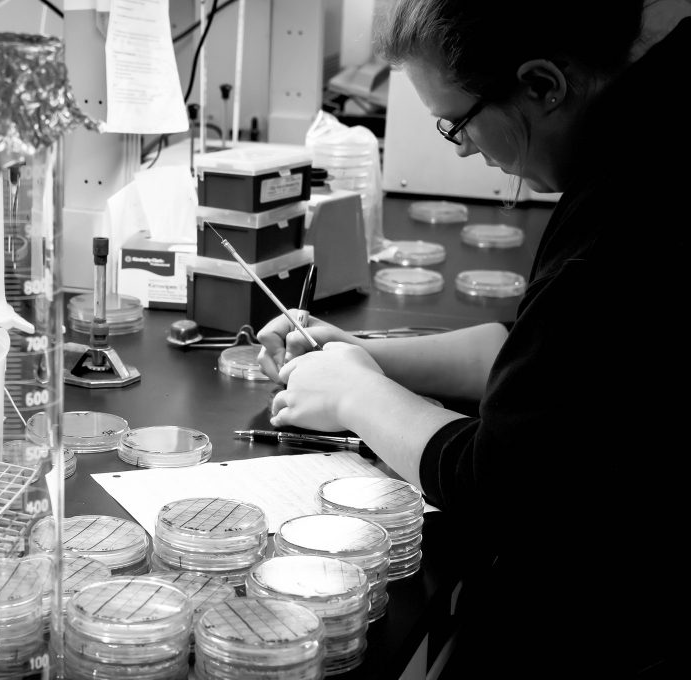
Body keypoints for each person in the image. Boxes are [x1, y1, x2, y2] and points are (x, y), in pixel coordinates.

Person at [256, 1, 684, 677]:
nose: (464, 147)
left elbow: (502, 480)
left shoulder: (636, 205)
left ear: (543, 85)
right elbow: (549, 359)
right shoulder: (643, 124)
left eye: (457, 122)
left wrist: (358, 397)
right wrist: (366, 355)